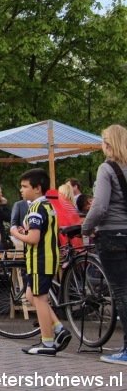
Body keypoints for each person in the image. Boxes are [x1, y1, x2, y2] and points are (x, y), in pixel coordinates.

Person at [10, 168, 71, 356]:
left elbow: (34, 238)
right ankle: (59, 329)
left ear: (37, 189)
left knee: (40, 299)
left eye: (24, 186)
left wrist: (16, 232)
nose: (21, 190)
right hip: (50, 257)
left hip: (39, 259)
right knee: (31, 295)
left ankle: (48, 342)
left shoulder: (35, 208)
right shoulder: (48, 206)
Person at [82, 124, 127, 365]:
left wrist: (86, 228)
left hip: (112, 235)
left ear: (107, 144)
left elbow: (99, 207)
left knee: (121, 292)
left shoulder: (106, 168)